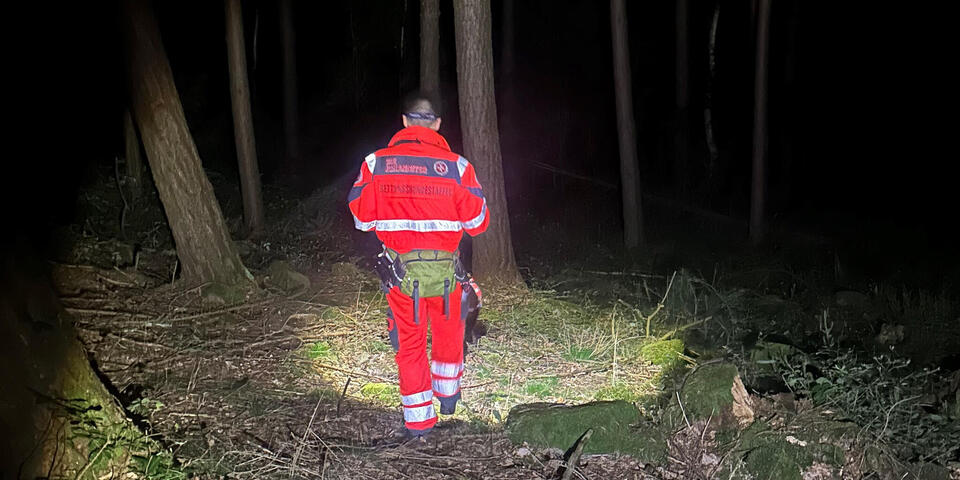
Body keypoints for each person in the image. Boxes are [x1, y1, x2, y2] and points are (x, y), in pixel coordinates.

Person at [347, 93, 489, 438]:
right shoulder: (458, 167)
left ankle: (419, 423)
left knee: (409, 345)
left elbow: (361, 219)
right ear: (437, 124)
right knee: (449, 331)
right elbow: (478, 223)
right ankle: (448, 397)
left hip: (401, 277)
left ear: (405, 122)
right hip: (446, 274)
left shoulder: (375, 164)